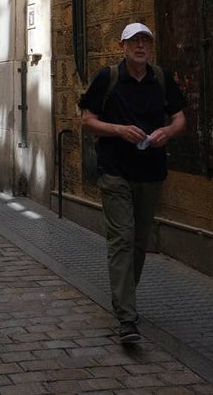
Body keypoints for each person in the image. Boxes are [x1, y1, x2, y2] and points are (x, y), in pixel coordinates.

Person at [79, 22, 187, 345]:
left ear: (150, 48)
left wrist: (168, 132)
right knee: (122, 239)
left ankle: (124, 297)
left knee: (140, 243)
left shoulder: (161, 79)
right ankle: (127, 317)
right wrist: (119, 130)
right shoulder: (107, 78)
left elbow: (180, 118)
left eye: (146, 41)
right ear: (123, 46)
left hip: (151, 172)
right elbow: (86, 120)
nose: (141, 47)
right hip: (115, 171)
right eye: (134, 41)